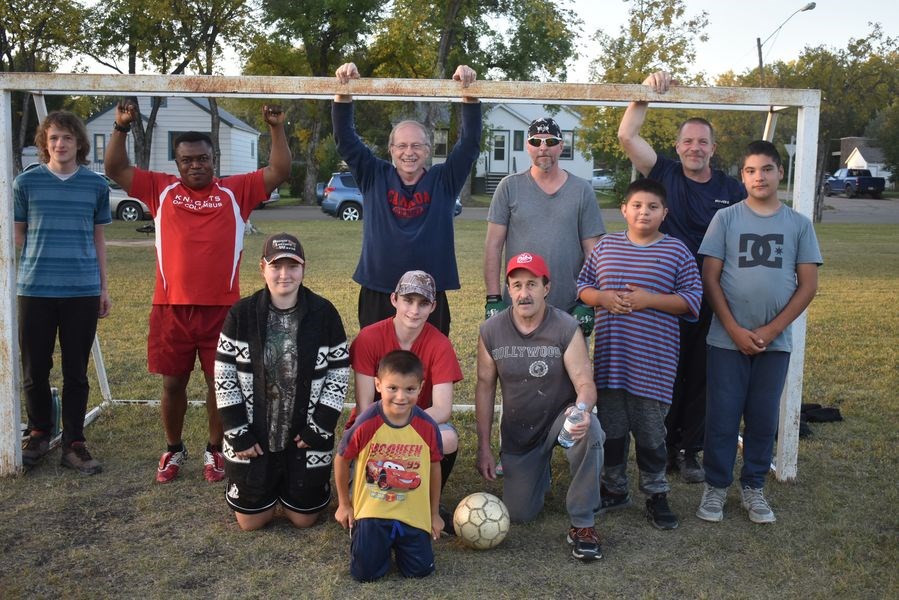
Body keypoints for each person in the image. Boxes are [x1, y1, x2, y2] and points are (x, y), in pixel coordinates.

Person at [105, 101, 291, 483]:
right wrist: (121, 127)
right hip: (171, 309)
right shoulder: (161, 189)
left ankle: (214, 449)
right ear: (177, 163)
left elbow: (279, 170)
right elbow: (116, 169)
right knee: (172, 382)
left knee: (217, 384)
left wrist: (275, 128)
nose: (195, 165)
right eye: (187, 159)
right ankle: (173, 449)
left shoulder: (235, 192)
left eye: (202, 158)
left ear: (213, 160)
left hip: (223, 311)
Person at [618, 70, 745, 483]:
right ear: (677, 147)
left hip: (714, 295)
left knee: (703, 375)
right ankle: (661, 446)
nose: (695, 147)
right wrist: (644, 94)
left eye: (702, 141)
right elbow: (627, 136)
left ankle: (691, 449)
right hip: (664, 298)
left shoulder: (731, 187)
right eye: (688, 141)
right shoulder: (665, 173)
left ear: (713, 148)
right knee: (665, 373)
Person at [695, 141, 821, 525]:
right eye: (750, 171)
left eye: (766, 169)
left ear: (780, 172)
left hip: (775, 342)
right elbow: (710, 278)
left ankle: (753, 487)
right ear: (742, 177)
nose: (759, 177)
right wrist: (733, 328)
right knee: (722, 416)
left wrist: (771, 329)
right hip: (726, 340)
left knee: (763, 418)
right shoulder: (727, 219)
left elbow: (808, 285)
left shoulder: (798, 224)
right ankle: (715, 488)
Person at [576, 179, 702, 530]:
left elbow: (692, 300)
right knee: (613, 429)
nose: (644, 212)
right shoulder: (606, 247)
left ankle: (656, 492)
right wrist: (602, 298)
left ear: (665, 213)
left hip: (653, 362)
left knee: (650, 433)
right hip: (612, 361)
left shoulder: (677, 251)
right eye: (637, 206)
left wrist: (650, 300)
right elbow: (583, 286)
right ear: (624, 210)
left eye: (652, 207)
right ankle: (614, 488)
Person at [333, 62, 482, 335]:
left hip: (427, 295)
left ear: (428, 150)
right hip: (379, 289)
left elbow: (470, 143)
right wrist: (344, 91)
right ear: (391, 149)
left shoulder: (444, 180)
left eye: (416, 145)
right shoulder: (374, 175)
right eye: (401, 145)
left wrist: (468, 93)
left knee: (426, 369)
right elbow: (346, 140)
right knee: (379, 367)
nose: (408, 152)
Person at [213, 233, 349, 530]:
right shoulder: (241, 314)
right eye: (276, 266)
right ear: (263, 267)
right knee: (251, 523)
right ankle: (262, 485)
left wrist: (320, 427)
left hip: (304, 438)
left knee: (303, 520)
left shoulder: (324, 313)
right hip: (255, 437)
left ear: (304, 269)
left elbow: (338, 373)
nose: (284, 274)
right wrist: (238, 432)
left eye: (293, 266)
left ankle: (293, 487)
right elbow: (224, 375)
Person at [475, 252, 604, 562]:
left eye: (532, 284)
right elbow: (484, 387)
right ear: (508, 289)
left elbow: (585, 383)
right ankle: (537, 471)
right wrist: (484, 448)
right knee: (520, 514)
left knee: (589, 430)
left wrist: (583, 409)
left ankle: (583, 523)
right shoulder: (491, 330)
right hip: (520, 431)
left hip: (561, 417)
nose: (524, 293)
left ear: (547, 287)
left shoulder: (565, 326)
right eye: (516, 285)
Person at [15, 111, 111, 475]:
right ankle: (39, 431)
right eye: (54, 138)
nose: (60, 144)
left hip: (82, 290)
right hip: (35, 288)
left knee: (76, 371)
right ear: (45, 142)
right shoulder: (26, 183)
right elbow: (17, 234)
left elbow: (99, 239)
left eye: (67, 138)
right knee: (34, 367)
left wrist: (103, 287)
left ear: (79, 143)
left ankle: (73, 443)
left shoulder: (96, 186)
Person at [484, 116, 605, 336]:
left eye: (550, 141)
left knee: (570, 371)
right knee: (515, 368)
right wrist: (493, 298)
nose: (543, 148)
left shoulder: (581, 190)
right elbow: (493, 245)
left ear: (561, 146)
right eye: (535, 141)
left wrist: (587, 301)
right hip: (519, 304)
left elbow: (593, 251)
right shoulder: (509, 187)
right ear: (526, 146)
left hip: (569, 307)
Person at [348, 270, 462, 501]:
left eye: (423, 303)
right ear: (394, 300)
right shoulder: (368, 338)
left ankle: (428, 499)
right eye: (408, 301)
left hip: (417, 423)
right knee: (361, 502)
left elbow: (442, 409)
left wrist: (403, 428)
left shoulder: (440, 344)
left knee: (448, 438)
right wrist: (389, 431)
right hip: (374, 425)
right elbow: (364, 405)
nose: (414, 310)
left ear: (433, 307)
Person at [334, 350, 443, 582]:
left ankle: (403, 544)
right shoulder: (367, 423)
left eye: (409, 389)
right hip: (373, 511)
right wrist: (344, 504)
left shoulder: (427, 426)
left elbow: (434, 468)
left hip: (412, 513)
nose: (401, 397)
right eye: (392, 388)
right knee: (366, 574)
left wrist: (433, 514)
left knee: (420, 571)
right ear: (378, 384)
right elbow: (342, 459)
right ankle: (370, 543)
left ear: (421, 388)